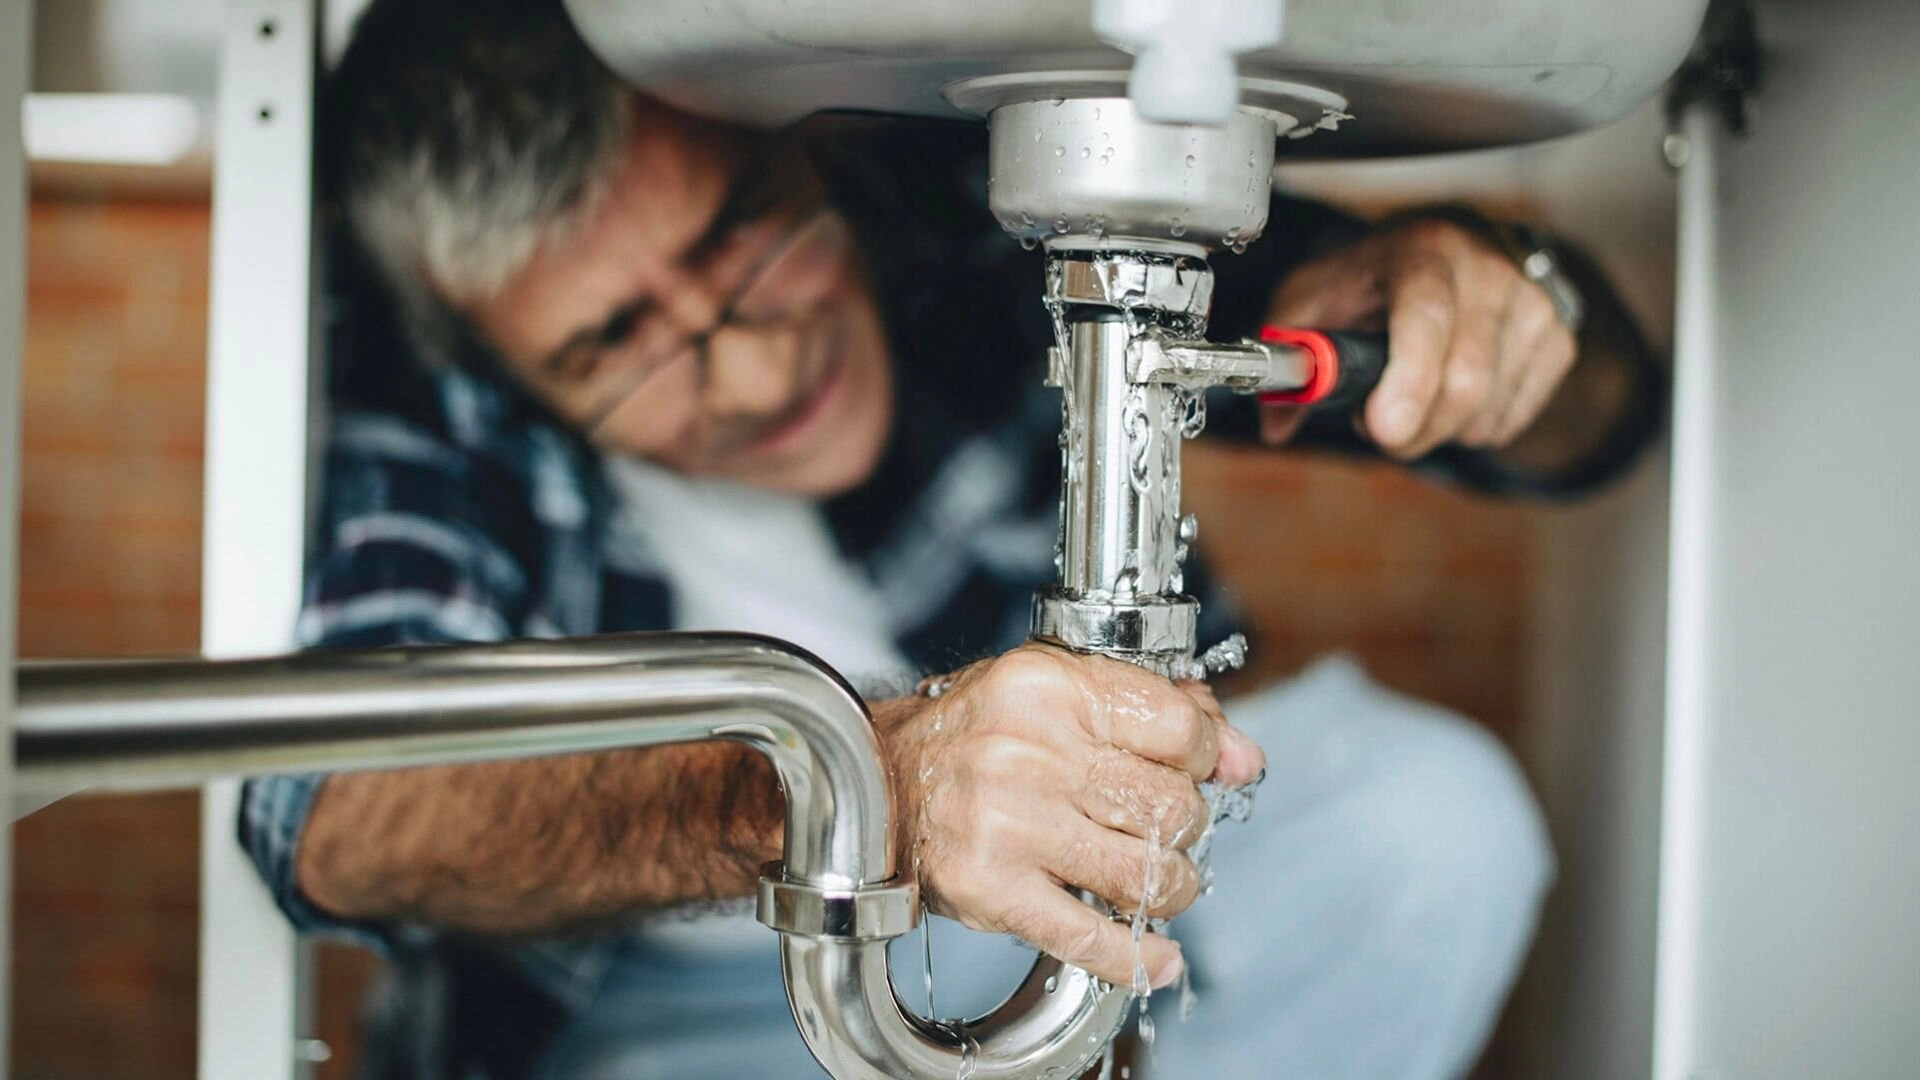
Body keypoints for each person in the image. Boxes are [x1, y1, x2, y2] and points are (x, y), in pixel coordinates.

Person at [241, 0, 1644, 1075]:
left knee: (1431, 824)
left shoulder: (952, 202)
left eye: (742, 234)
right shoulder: (423, 384)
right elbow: (341, 818)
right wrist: (854, 792)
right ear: (505, 365)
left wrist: (1505, 302)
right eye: (616, 343)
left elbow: (1596, 428)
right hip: (666, 997)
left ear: (790, 135)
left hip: (1076, 912)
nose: (750, 371)